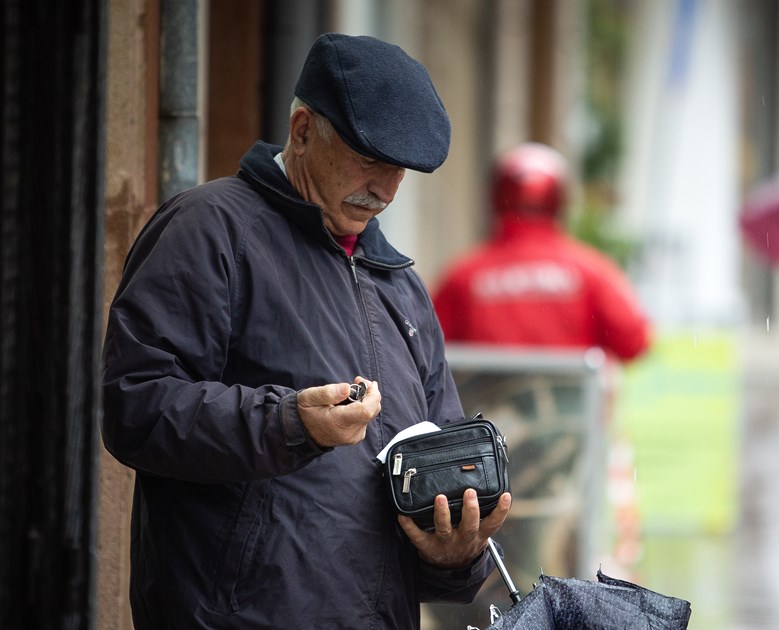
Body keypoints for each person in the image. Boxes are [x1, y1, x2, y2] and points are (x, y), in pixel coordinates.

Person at [101, 33, 511, 629]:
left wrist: (455, 552)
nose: (385, 188)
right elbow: (135, 407)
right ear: (300, 131)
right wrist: (290, 423)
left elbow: (432, 465)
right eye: (369, 159)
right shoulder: (210, 227)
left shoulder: (400, 286)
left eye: (400, 170)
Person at [432, 142, 651, 364]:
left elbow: (428, 345)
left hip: (485, 400)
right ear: (560, 200)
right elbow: (634, 341)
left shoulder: (462, 276)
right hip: (568, 399)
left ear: (497, 197)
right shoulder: (591, 272)